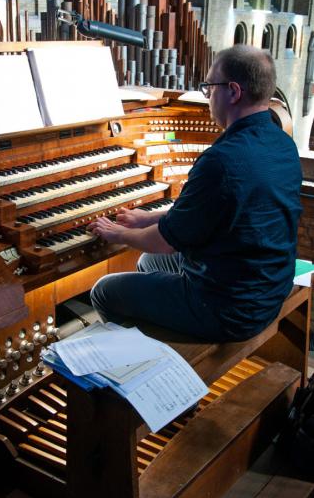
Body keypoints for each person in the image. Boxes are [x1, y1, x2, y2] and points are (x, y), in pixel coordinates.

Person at [88, 45, 302, 342]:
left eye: (209, 87)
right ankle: (160, 331)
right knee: (148, 264)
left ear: (233, 92)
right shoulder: (282, 144)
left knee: (104, 290)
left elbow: (163, 242)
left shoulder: (223, 160)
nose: (208, 95)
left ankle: (143, 365)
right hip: (267, 286)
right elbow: (217, 212)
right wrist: (147, 217)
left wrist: (117, 233)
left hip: (229, 309)